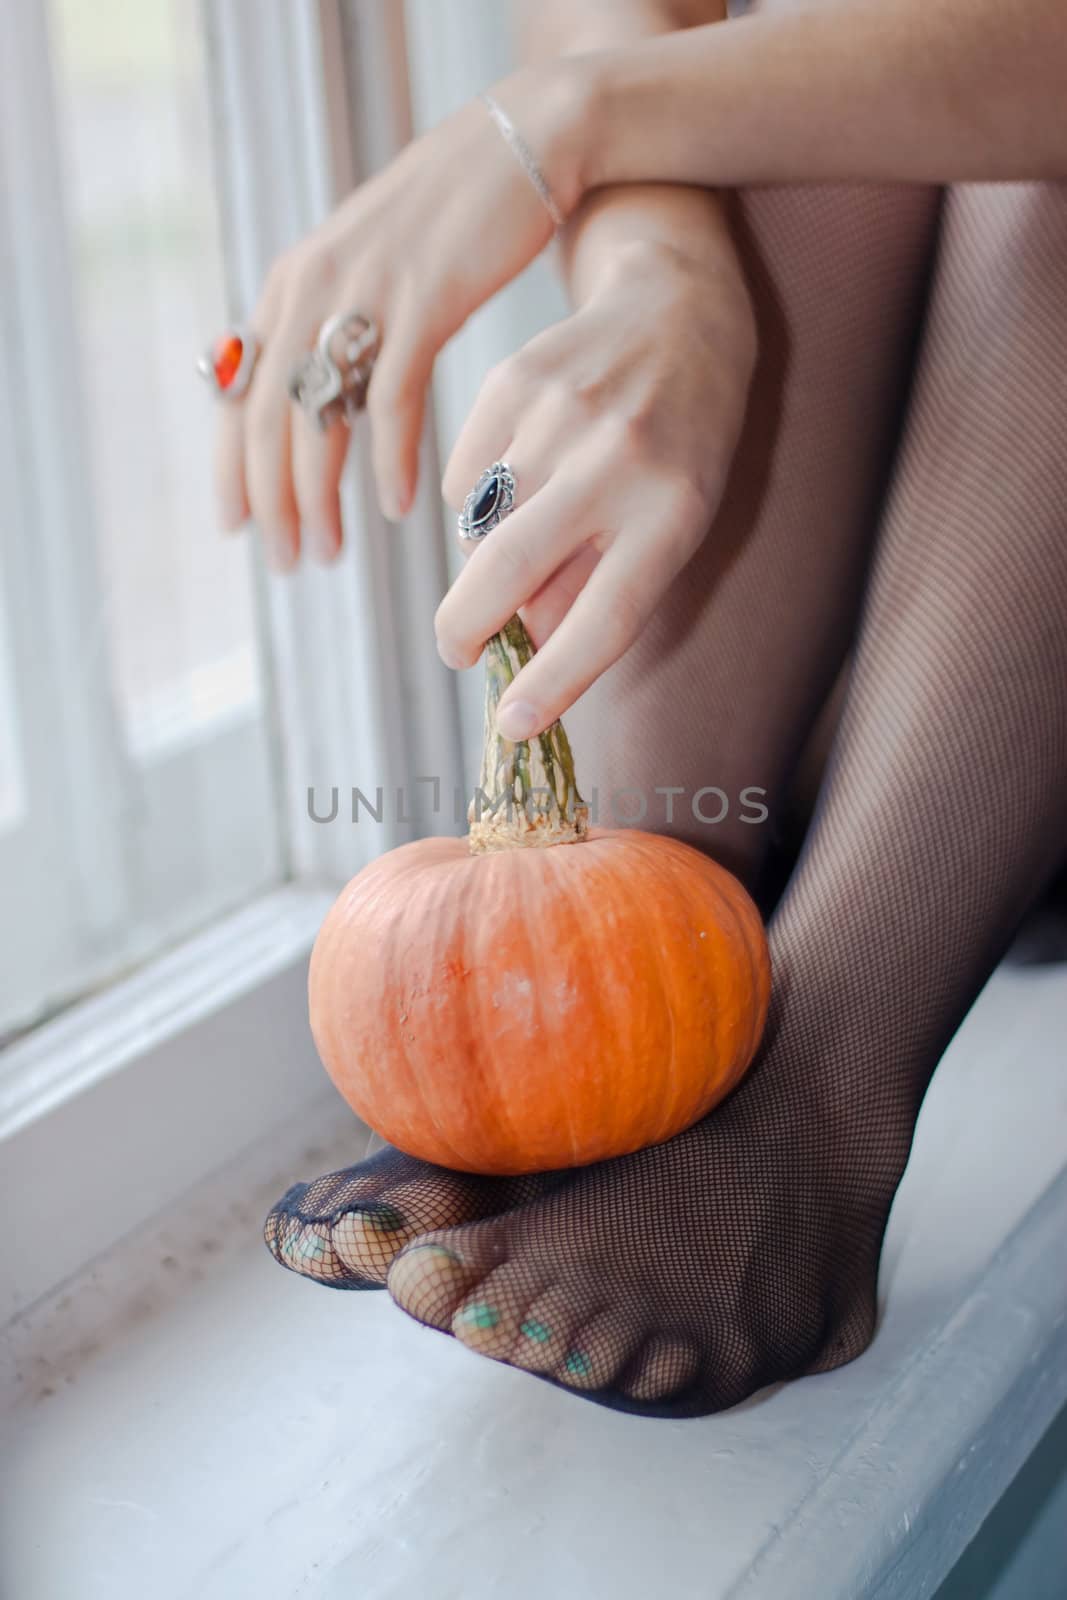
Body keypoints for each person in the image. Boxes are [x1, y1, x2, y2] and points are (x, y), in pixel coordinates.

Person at [211, 0, 1067, 1415]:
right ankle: (643, 994)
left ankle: (818, 1097)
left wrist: (563, 128)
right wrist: (669, 281)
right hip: (893, 646)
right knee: (808, 111)